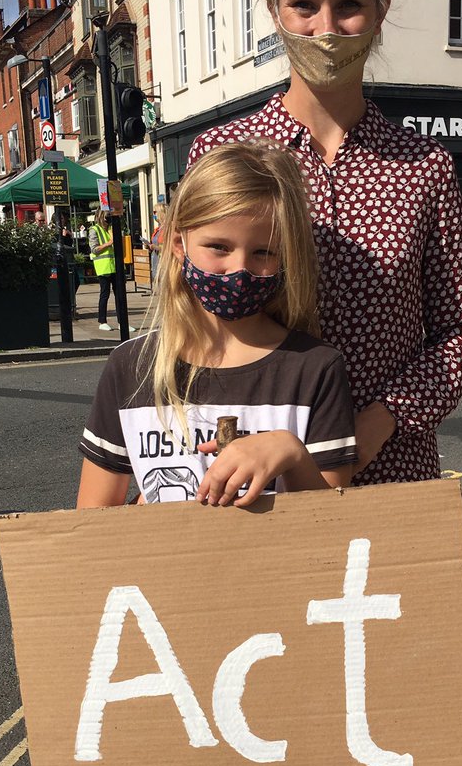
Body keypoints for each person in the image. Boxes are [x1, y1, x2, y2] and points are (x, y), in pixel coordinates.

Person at [189, 0, 462, 486]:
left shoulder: (423, 167)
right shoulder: (222, 153)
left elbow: (460, 332)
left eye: (348, 4)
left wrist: (378, 422)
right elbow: (189, 320)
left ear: (381, 9)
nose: (327, 27)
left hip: (389, 468)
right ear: (274, 8)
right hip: (246, 477)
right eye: (305, 4)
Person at [77, 141, 357, 509]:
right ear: (179, 244)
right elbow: (92, 522)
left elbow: (336, 525)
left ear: (286, 255)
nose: (239, 269)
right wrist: (139, 517)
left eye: (263, 252)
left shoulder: (314, 368)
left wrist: (291, 453)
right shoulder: (131, 367)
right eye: (219, 247)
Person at [88, 208, 119, 332]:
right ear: (101, 217)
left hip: (115, 266)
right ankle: (102, 321)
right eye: (107, 216)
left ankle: (122, 322)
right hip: (103, 267)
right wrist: (109, 243)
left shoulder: (111, 229)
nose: (109, 219)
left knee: (119, 296)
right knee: (104, 294)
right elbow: (94, 249)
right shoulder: (94, 230)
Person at [149, 201, 167, 285]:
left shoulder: (168, 228)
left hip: (164, 264)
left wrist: (156, 247)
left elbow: (169, 247)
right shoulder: (158, 229)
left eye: (155, 212)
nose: (153, 214)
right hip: (156, 262)